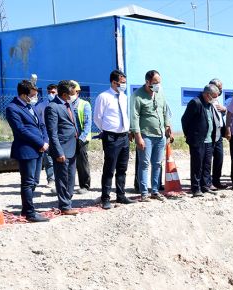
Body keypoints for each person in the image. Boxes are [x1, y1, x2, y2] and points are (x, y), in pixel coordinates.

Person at [6, 80, 49, 222]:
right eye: (33, 95)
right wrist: (39, 142)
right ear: (24, 95)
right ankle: (30, 213)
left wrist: (45, 141)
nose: (35, 97)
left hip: (39, 149)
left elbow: (41, 124)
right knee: (28, 182)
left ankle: (26, 208)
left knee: (35, 181)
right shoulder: (13, 108)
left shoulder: (33, 107)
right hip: (26, 150)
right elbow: (21, 130)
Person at [93, 69, 135, 210]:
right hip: (111, 137)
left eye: (124, 82)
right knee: (109, 168)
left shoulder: (123, 96)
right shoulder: (103, 97)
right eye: (121, 82)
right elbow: (97, 118)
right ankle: (105, 198)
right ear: (113, 82)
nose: (124, 85)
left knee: (122, 168)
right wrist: (107, 130)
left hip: (124, 136)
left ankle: (121, 195)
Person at [130, 70, 171, 202]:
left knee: (157, 163)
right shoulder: (137, 96)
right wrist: (138, 137)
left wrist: (167, 126)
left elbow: (165, 110)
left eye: (159, 82)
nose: (158, 85)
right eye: (155, 82)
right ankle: (144, 193)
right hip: (145, 135)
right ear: (147, 82)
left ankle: (155, 190)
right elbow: (134, 117)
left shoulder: (160, 93)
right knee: (145, 164)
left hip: (160, 135)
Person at [44, 80, 81, 216]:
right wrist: (59, 151)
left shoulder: (68, 104)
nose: (74, 95)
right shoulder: (52, 107)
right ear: (65, 94)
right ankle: (65, 205)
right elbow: (52, 133)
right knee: (62, 178)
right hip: (62, 149)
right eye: (72, 93)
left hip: (72, 146)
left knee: (71, 177)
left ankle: (68, 201)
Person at [181, 84, 223, 197]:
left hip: (209, 140)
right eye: (213, 96)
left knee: (207, 165)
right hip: (197, 140)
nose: (215, 99)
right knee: (197, 165)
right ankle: (196, 189)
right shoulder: (196, 102)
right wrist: (189, 135)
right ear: (207, 94)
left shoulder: (210, 104)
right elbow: (185, 120)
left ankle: (205, 186)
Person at [33, 83, 58, 188]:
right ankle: (51, 179)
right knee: (48, 159)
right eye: (49, 92)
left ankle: (61, 179)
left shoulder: (60, 104)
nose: (51, 94)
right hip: (46, 135)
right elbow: (34, 115)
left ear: (57, 92)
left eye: (53, 92)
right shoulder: (42, 105)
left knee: (60, 157)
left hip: (58, 135)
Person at [70, 82, 92, 194]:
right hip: (69, 138)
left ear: (77, 91)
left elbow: (88, 123)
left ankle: (85, 185)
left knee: (82, 162)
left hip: (81, 138)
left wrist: (82, 138)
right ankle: (68, 186)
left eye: (72, 91)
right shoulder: (65, 104)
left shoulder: (84, 104)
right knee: (69, 163)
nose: (70, 94)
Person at [209, 78, 228, 190]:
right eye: (219, 88)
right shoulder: (206, 99)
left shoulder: (217, 99)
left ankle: (216, 181)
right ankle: (206, 182)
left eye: (221, 89)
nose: (221, 91)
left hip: (219, 133)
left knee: (219, 158)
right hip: (209, 134)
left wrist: (224, 109)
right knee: (207, 160)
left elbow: (221, 113)